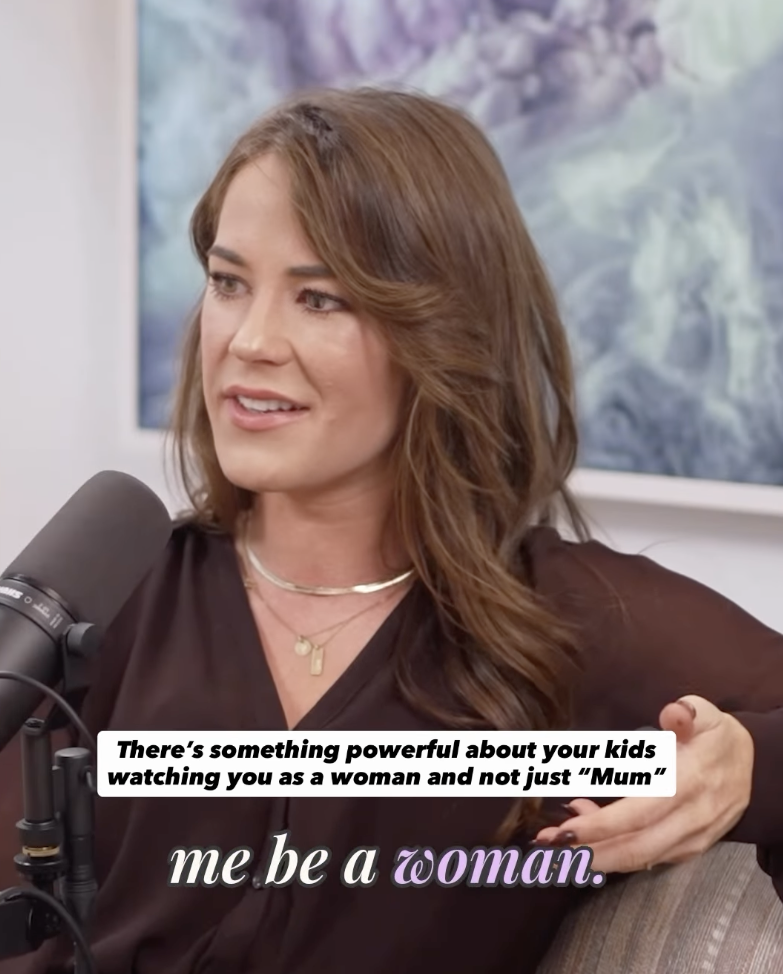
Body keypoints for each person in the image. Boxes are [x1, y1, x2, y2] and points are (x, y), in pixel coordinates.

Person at [0, 86, 781, 974]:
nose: (248, 340)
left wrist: (747, 765)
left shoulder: (564, 624)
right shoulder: (119, 602)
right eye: (227, 283)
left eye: (320, 299)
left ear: (441, 329)